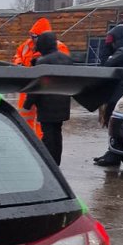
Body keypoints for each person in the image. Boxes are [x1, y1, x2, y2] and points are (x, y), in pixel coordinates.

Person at [24, 30, 73, 164]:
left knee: (49, 135)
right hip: (63, 103)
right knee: (57, 134)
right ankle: (56, 162)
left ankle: (48, 163)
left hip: (47, 105)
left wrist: (28, 103)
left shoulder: (43, 62)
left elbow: (37, 86)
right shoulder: (67, 59)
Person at [94, 23, 123, 167]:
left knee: (114, 124)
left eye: (110, 39)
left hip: (118, 93)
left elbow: (105, 65)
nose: (109, 42)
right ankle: (112, 151)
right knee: (113, 123)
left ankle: (114, 154)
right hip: (117, 91)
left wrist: (105, 48)